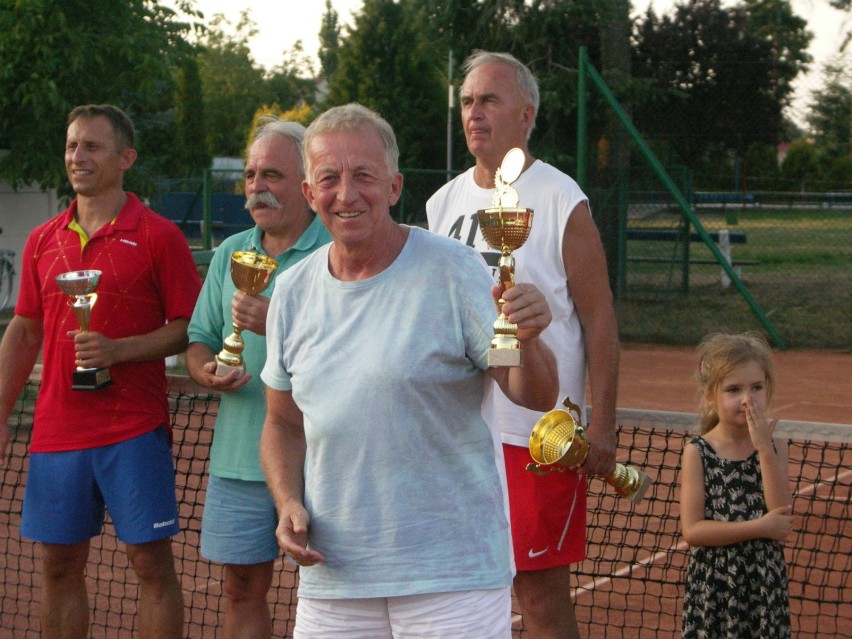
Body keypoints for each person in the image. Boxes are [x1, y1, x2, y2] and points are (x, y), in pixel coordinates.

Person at [259, 103, 558, 638]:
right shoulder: (291, 292)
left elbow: (528, 391)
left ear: (394, 187)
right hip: (335, 575)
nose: (346, 194)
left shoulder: (456, 270)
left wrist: (530, 343)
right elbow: (281, 423)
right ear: (309, 193)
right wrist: (287, 502)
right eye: (329, 178)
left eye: (364, 176)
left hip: (452, 574)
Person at [426, 50, 620, 638]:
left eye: (490, 100)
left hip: (536, 435)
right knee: (462, 590)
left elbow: (600, 316)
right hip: (458, 432)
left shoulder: (562, 198)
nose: (474, 113)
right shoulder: (443, 203)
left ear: (526, 114)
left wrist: (604, 423)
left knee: (539, 597)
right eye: (466, 101)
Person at [0, 104, 200, 639]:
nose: (77, 156)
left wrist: (118, 351)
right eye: (71, 145)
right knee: (57, 569)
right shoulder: (44, 239)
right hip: (56, 434)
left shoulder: (160, 236)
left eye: (92, 146)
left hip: (133, 429)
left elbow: (187, 328)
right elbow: (23, 333)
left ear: (125, 158)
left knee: (150, 567)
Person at [185, 117, 331, 638]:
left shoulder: (336, 251)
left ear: (305, 183)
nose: (256, 187)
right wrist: (204, 369)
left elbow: (353, 353)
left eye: (272, 174)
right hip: (239, 457)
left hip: (323, 460)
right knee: (241, 590)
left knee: (335, 595)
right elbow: (199, 336)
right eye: (250, 175)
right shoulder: (230, 252)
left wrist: (276, 320)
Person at [680, 332, 793, 638]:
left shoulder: (775, 445)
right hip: (716, 586)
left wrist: (764, 449)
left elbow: (781, 516)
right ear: (709, 397)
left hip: (763, 585)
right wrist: (758, 527)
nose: (748, 398)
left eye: (756, 387)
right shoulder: (698, 452)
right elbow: (693, 531)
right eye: (733, 389)